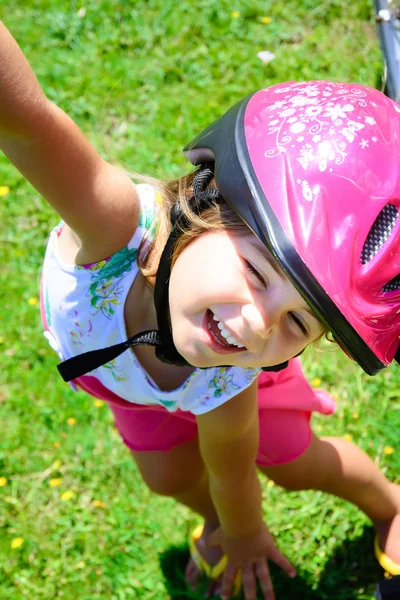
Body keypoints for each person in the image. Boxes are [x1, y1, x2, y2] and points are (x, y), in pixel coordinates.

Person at [1, 19, 400, 600]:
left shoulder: (234, 372)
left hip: (196, 393)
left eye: (296, 323)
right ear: (201, 207)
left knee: (291, 463)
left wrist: (246, 533)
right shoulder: (113, 234)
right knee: (166, 477)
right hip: (128, 381)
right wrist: (225, 525)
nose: (260, 324)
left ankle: (389, 504)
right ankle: (207, 517)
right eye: (258, 274)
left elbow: (234, 471)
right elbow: (30, 127)